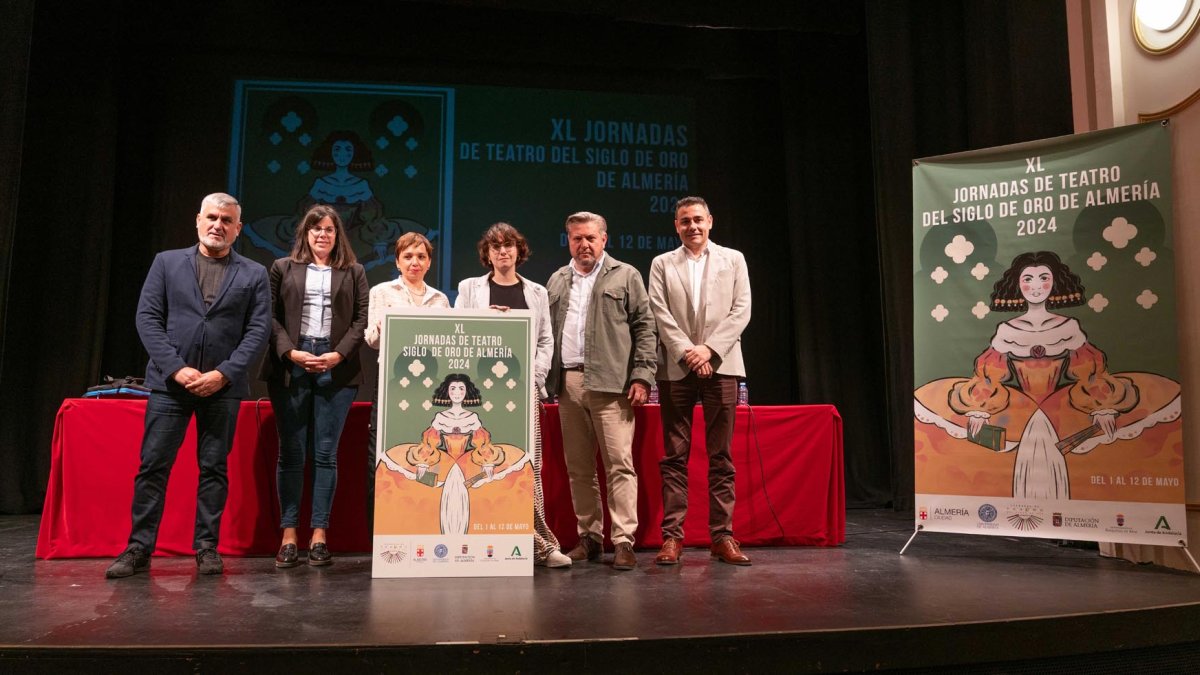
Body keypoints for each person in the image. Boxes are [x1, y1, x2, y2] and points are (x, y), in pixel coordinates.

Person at [106, 193, 270, 578]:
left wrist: (224, 373)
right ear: (198, 221)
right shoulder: (166, 263)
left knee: (214, 469)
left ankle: (207, 548)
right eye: (212, 217)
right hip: (169, 387)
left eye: (226, 220)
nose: (218, 225)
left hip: (223, 389)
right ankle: (138, 549)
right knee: (153, 468)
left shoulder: (254, 273)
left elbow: (258, 330)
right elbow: (147, 318)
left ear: (238, 229)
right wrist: (177, 369)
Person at [455, 222, 572, 568]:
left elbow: (546, 341)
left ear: (519, 251)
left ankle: (542, 546)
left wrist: (532, 379)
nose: (502, 251)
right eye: (495, 246)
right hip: (479, 397)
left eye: (508, 246)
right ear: (486, 253)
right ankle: (484, 546)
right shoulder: (470, 289)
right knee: (480, 467)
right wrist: (485, 318)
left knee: (525, 469)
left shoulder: (536, 292)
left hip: (524, 395)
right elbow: (459, 331)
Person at [545, 211, 657, 571]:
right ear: (569, 241)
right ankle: (590, 537)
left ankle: (623, 540)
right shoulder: (558, 280)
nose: (584, 244)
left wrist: (641, 376)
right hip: (569, 384)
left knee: (619, 465)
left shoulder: (625, 275)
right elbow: (545, 332)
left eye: (591, 237)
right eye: (577, 238)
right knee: (579, 468)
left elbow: (645, 327)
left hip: (613, 384)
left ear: (604, 239)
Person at [260, 205, 369, 568]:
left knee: (325, 454)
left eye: (329, 229)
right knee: (291, 454)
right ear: (305, 233)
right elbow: (270, 317)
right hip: (292, 364)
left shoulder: (354, 272)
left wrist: (337, 355)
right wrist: (290, 352)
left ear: (338, 235)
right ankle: (289, 535)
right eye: (316, 229)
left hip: (336, 369)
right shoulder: (282, 268)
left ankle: (319, 534)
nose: (323, 235)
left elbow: (361, 320)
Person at [647, 197, 752, 566]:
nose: (692, 226)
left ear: (710, 221)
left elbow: (742, 310)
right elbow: (659, 312)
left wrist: (708, 350)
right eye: (684, 221)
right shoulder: (661, 263)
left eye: (698, 220)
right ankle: (672, 538)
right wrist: (688, 352)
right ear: (676, 226)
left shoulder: (733, 259)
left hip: (721, 365)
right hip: (677, 368)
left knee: (721, 457)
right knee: (674, 457)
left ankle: (722, 537)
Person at [364, 233, 449, 528]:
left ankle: (423, 523)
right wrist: (381, 326)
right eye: (408, 256)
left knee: (428, 454)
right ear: (398, 261)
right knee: (386, 456)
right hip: (392, 384)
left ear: (429, 262)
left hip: (431, 389)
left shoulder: (440, 299)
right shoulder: (382, 292)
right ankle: (382, 530)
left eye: (421, 257)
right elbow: (372, 342)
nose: (415, 262)